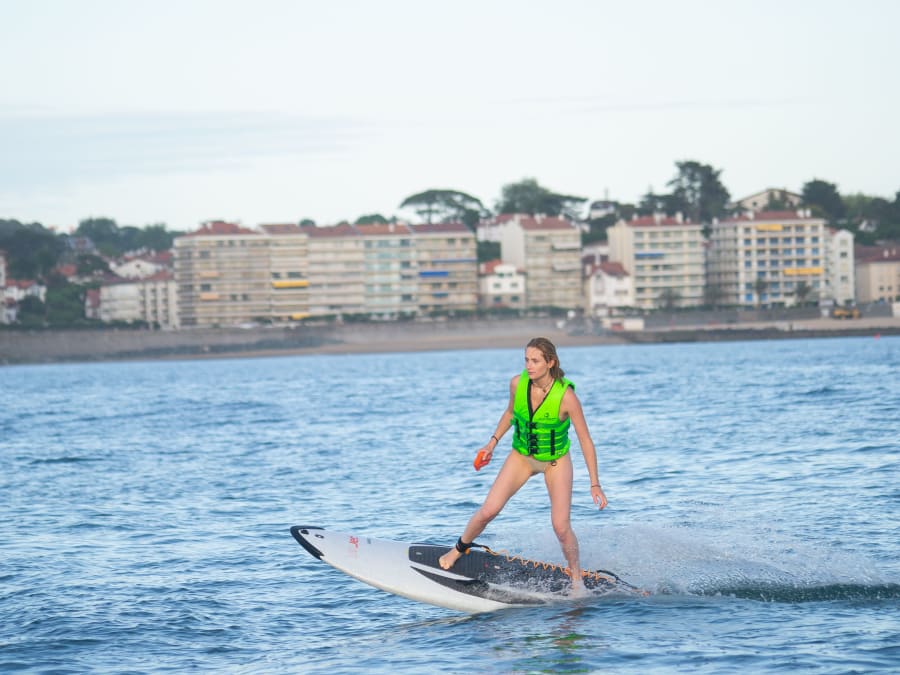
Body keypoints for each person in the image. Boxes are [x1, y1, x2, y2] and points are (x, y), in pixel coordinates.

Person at [438, 336, 607, 592]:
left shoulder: (566, 397)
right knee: (488, 511)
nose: (529, 365)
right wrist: (491, 443)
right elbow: (510, 413)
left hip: (554, 461)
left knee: (561, 527)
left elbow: (585, 440)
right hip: (521, 457)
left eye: (535, 360)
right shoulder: (518, 384)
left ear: (550, 362)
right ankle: (458, 549)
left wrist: (595, 484)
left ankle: (575, 577)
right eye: (526, 359)